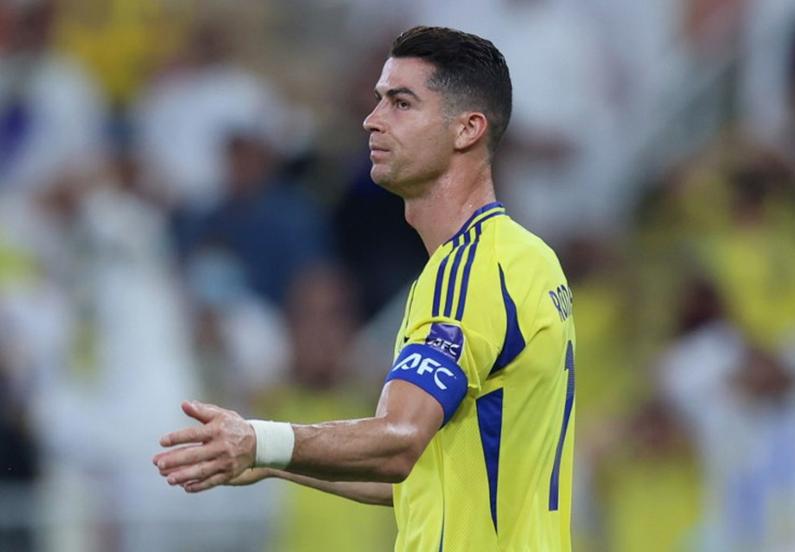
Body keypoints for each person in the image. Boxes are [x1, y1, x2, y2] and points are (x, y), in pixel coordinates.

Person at [153, 26, 577, 551]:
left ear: (467, 129)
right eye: (379, 100)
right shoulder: (528, 259)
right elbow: (417, 472)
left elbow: (398, 442)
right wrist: (269, 459)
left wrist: (259, 437)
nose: (372, 120)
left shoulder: (467, 270)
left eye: (401, 103)